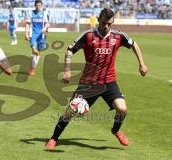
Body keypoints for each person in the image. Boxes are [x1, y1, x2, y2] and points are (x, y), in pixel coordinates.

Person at [46, 8, 148, 150]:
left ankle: (116, 130)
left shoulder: (118, 36)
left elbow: (134, 44)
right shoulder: (88, 36)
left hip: (108, 82)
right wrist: (67, 70)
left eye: (109, 23)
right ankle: (53, 138)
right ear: (99, 20)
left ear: (112, 22)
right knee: (70, 111)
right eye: (104, 23)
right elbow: (70, 49)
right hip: (88, 83)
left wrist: (142, 63)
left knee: (122, 109)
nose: (106, 26)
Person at [25, 0, 50, 76]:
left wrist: (45, 28)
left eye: (39, 5)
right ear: (34, 5)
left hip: (41, 36)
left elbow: (47, 23)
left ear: (41, 5)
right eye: (36, 5)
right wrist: (26, 33)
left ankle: (32, 69)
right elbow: (27, 24)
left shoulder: (44, 13)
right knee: (34, 50)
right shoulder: (30, 13)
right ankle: (34, 55)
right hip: (33, 35)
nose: (38, 6)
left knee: (37, 53)